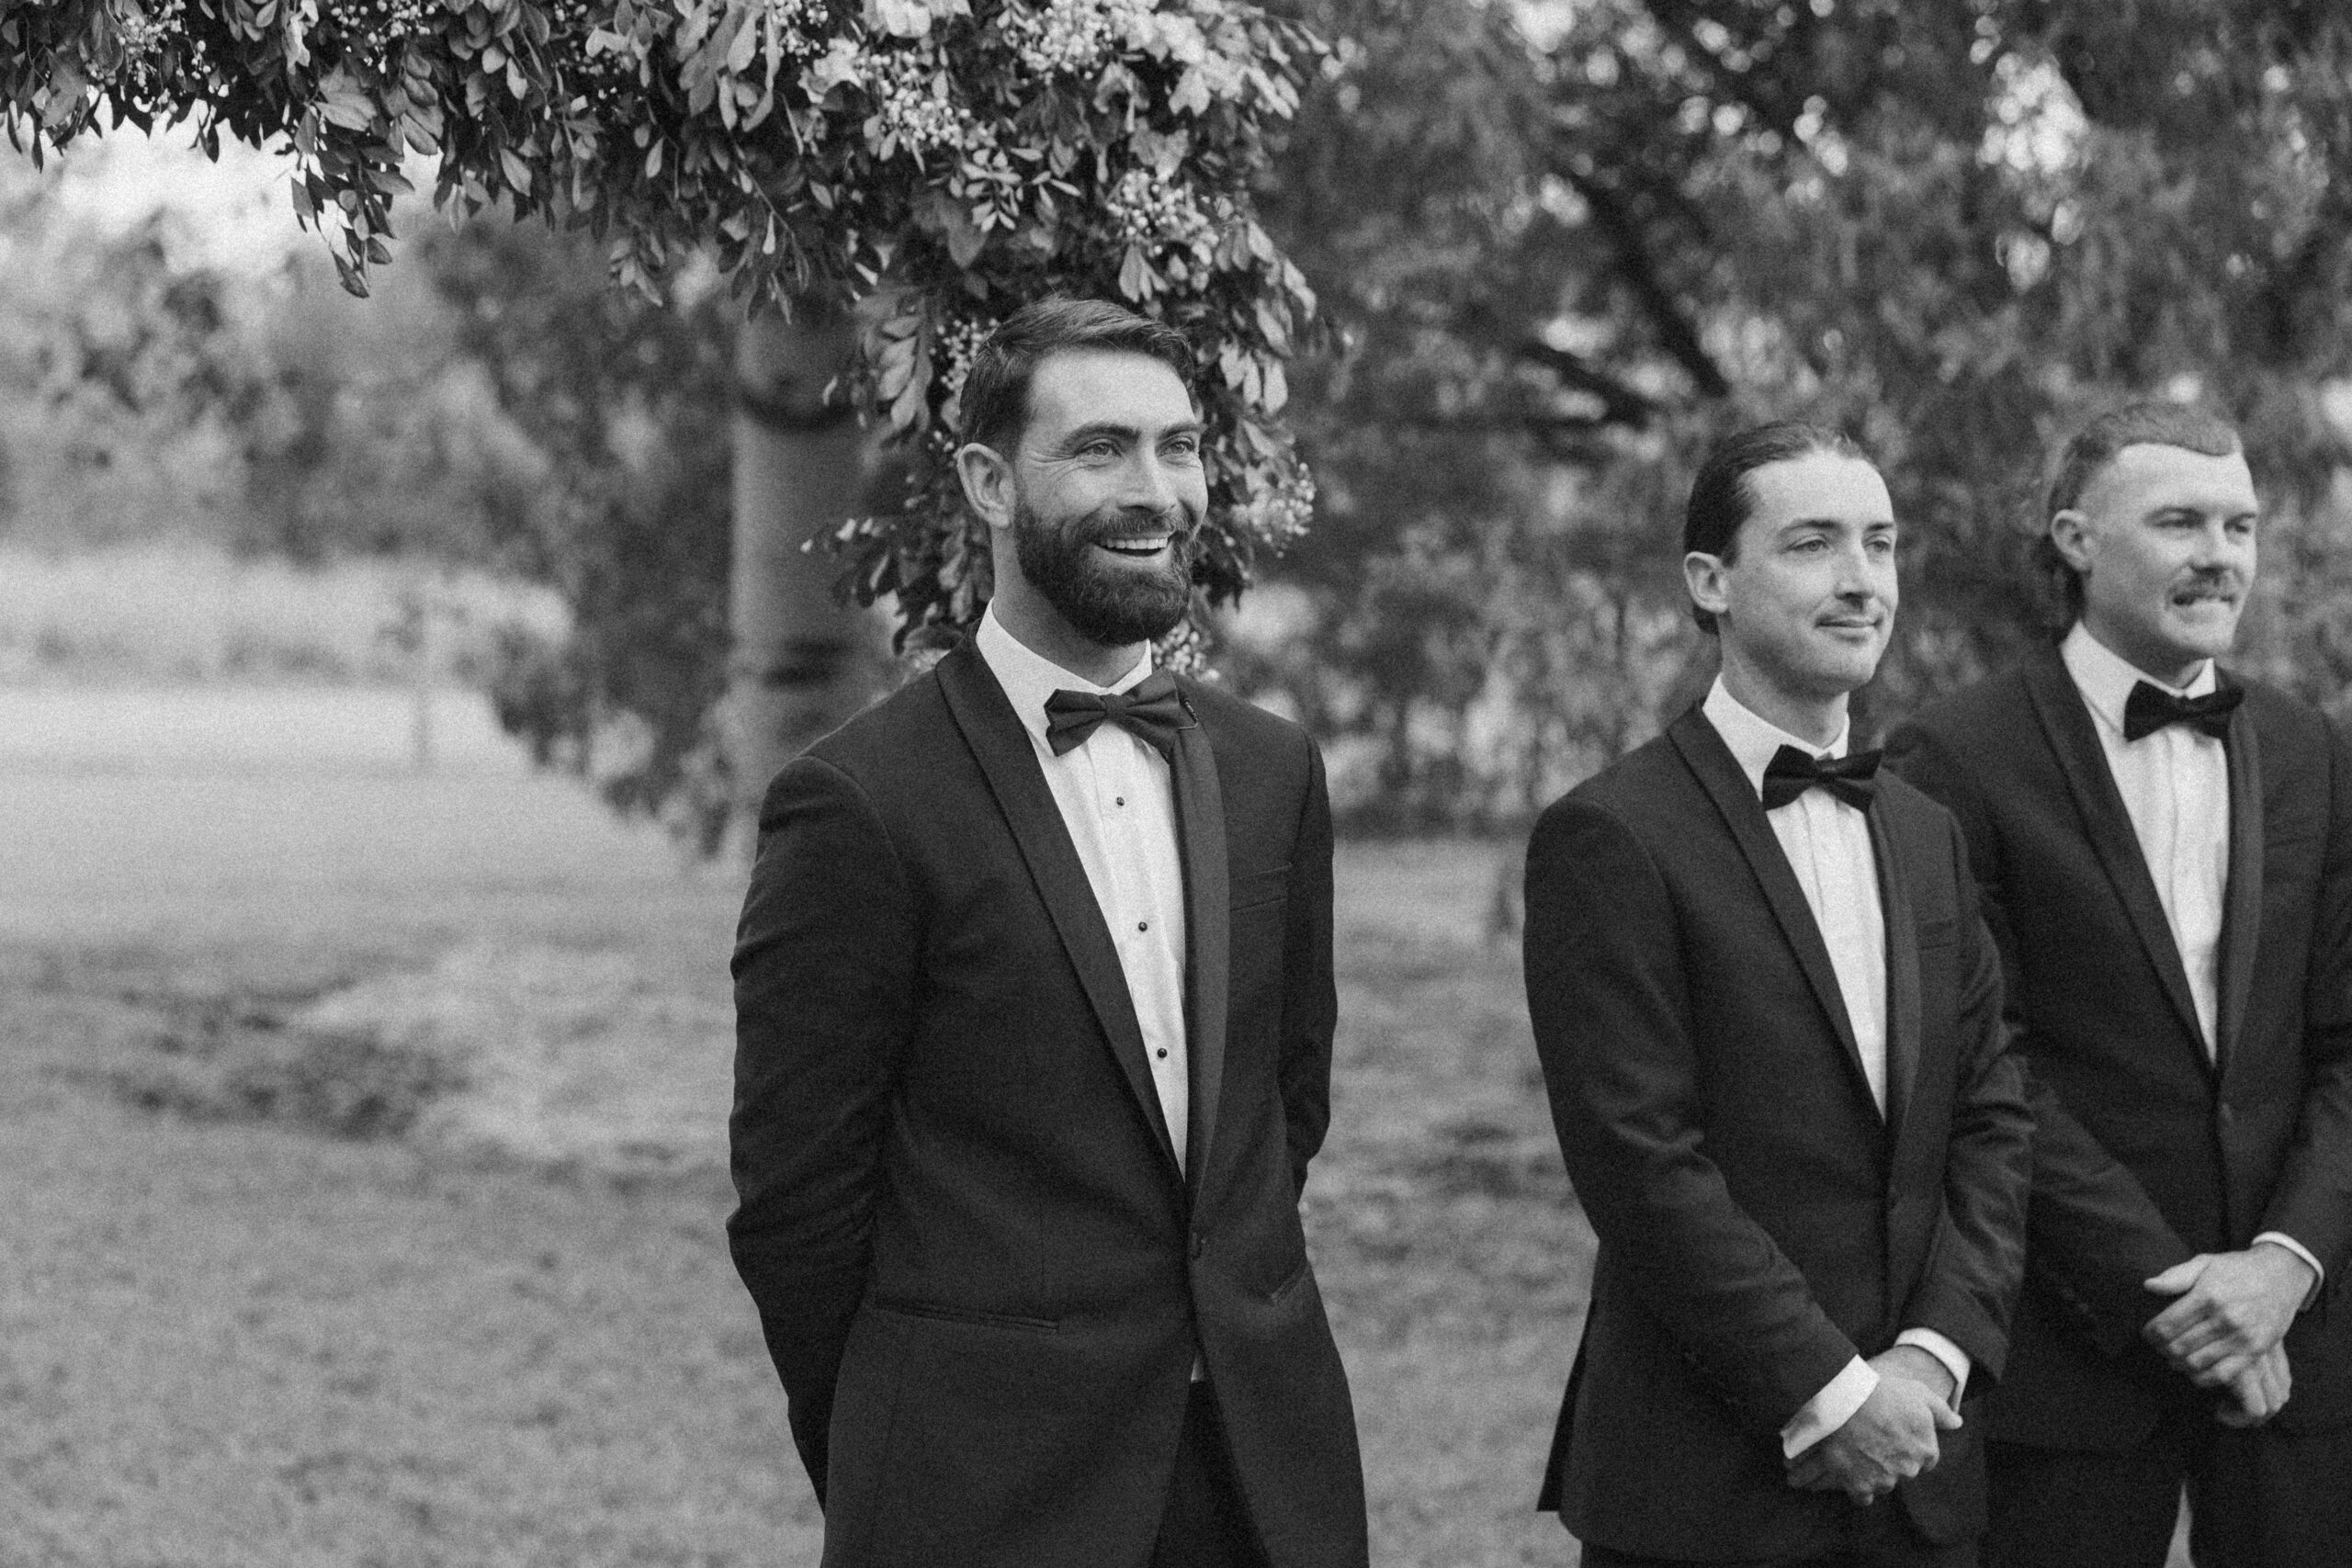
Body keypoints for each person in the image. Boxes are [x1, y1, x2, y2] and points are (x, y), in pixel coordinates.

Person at [726, 298, 1366, 1568]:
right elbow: (797, 1200)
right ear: (988, 481)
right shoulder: (858, 804)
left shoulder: (1273, 771)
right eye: (1100, 449)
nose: (1156, 491)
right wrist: (894, 1445)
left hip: (1261, 1479)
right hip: (980, 1493)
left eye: (1179, 447)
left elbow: (1283, 1111)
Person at [1523, 422, 2033, 1566]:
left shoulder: (1926, 832)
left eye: (1880, 544)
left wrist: (1932, 1357)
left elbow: (1992, 1116)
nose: (1861, 580)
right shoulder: (1609, 835)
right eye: (1812, 545)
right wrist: (1830, 1393)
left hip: (1924, 1462)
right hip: (1707, 1482)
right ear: (1710, 581)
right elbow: (1638, 1160)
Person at [1884, 401, 2352, 1568]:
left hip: (2299, 1344)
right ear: (2076, 541)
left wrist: (2284, 1267)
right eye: (2179, 522)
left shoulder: (2310, 749)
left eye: (2239, 525)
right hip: (2068, 1347)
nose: (2220, 556)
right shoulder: (1953, 755)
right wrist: (2172, 1298)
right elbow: (1980, 1063)